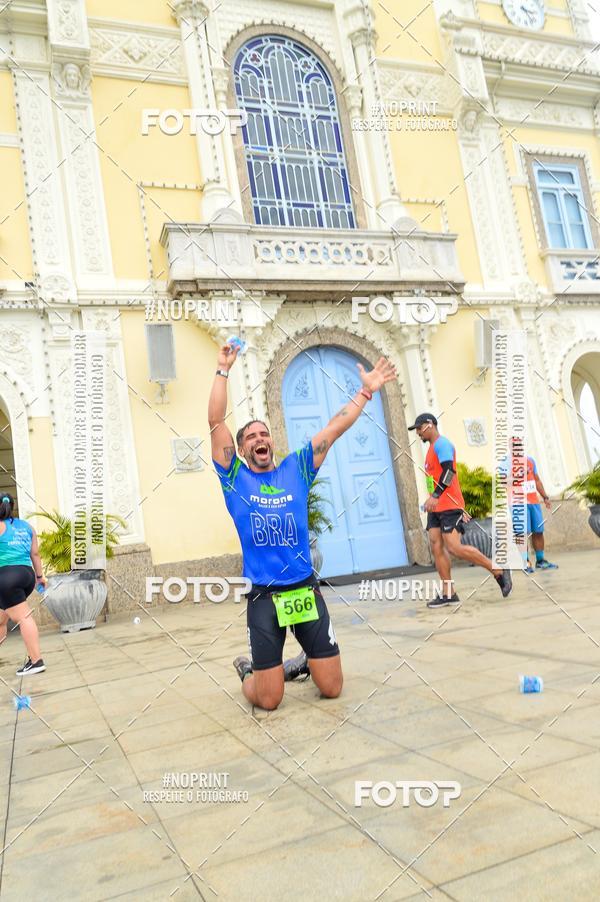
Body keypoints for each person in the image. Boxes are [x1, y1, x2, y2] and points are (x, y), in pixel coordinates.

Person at [209, 341, 397, 710]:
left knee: (332, 688)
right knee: (268, 699)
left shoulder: (297, 468)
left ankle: (305, 661)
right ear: (242, 450)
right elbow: (216, 422)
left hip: (303, 590)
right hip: (264, 595)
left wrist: (365, 391)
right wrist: (222, 368)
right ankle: (250, 671)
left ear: (272, 443)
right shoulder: (235, 479)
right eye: (251, 437)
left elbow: (335, 427)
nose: (260, 439)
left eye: (264, 434)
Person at [408, 413, 513, 608]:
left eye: (419, 428)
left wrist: (436, 496)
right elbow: (436, 477)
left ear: (429, 425)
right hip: (436, 508)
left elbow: (449, 472)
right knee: (436, 545)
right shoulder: (431, 449)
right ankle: (449, 593)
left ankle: (497, 569)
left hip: (450, 505)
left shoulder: (442, 444)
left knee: (454, 547)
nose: (418, 433)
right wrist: (431, 498)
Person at [0, 494, 47, 675]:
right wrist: (40, 576)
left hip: (6, 577)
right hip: (26, 575)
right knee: (2, 619)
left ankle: (36, 661)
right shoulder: (26, 526)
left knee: (23, 617)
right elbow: (35, 554)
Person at [501, 439, 558, 574]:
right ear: (510, 447)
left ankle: (541, 560)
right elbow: (503, 482)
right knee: (522, 533)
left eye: (519, 445)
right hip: (517, 503)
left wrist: (545, 497)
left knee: (538, 531)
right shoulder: (505, 463)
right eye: (514, 445)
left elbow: (536, 480)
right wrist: (516, 476)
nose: (517, 447)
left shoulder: (530, 460)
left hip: (533, 501)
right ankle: (525, 562)